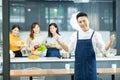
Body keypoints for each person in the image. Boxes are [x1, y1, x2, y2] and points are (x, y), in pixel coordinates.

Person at [55, 12, 115, 80]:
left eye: (84, 21)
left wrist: (110, 42)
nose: (82, 23)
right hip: (79, 69)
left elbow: (104, 50)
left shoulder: (95, 34)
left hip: (91, 68)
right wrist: (59, 41)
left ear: (88, 20)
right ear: (78, 23)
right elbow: (68, 49)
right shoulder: (75, 35)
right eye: (80, 22)